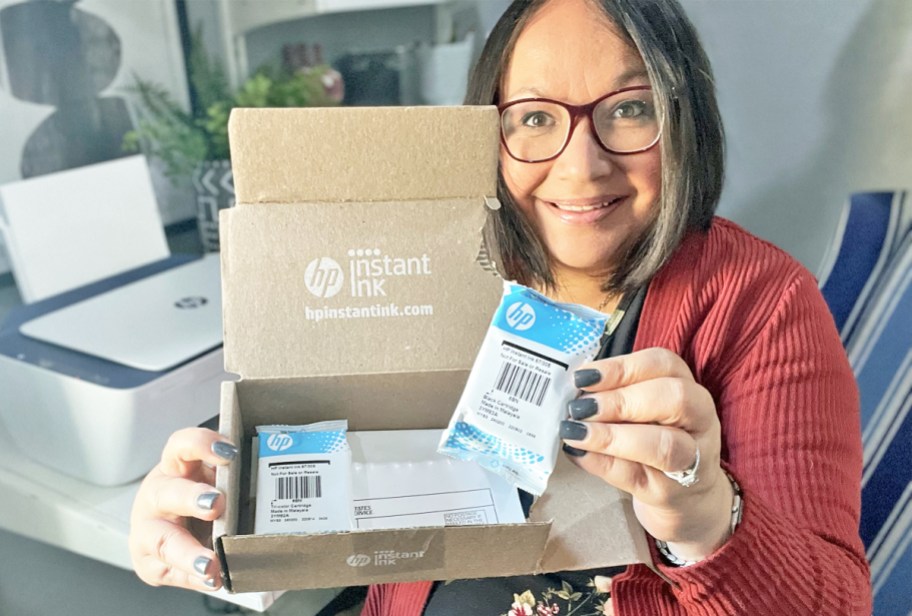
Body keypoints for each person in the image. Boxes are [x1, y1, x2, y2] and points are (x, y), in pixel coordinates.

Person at [129, 0, 872, 613]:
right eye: (536, 118)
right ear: (485, 131)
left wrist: (707, 521)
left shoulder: (762, 305)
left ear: (685, 121)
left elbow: (835, 603)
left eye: (630, 108)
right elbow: (339, 416)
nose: (582, 166)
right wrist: (213, 490)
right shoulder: (435, 266)